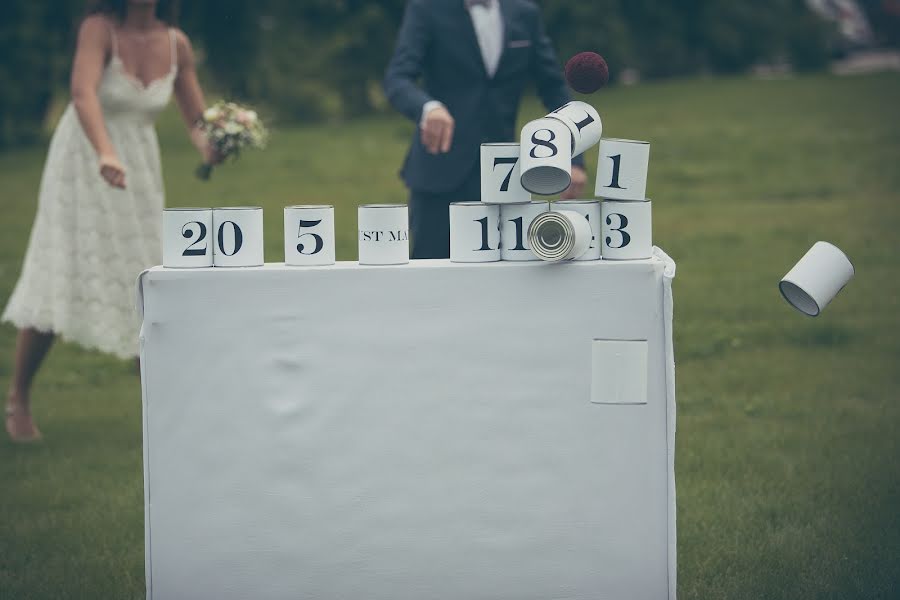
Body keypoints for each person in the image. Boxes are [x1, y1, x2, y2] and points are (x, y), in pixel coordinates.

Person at [3, 0, 217, 442]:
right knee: (59, 272)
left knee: (144, 275)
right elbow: (82, 93)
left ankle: (165, 409)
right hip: (84, 158)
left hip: (139, 170)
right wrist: (104, 151)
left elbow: (198, 120)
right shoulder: (98, 28)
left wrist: (214, 144)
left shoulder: (177, 44)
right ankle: (18, 398)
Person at [384, 0, 587, 259]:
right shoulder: (426, 9)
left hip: (505, 180)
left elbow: (554, 88)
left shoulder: (525, 14)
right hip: (440, 175)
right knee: (431, 277)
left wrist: (573, 157)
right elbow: (398, 78)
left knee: (506, 280)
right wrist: (428, 108)